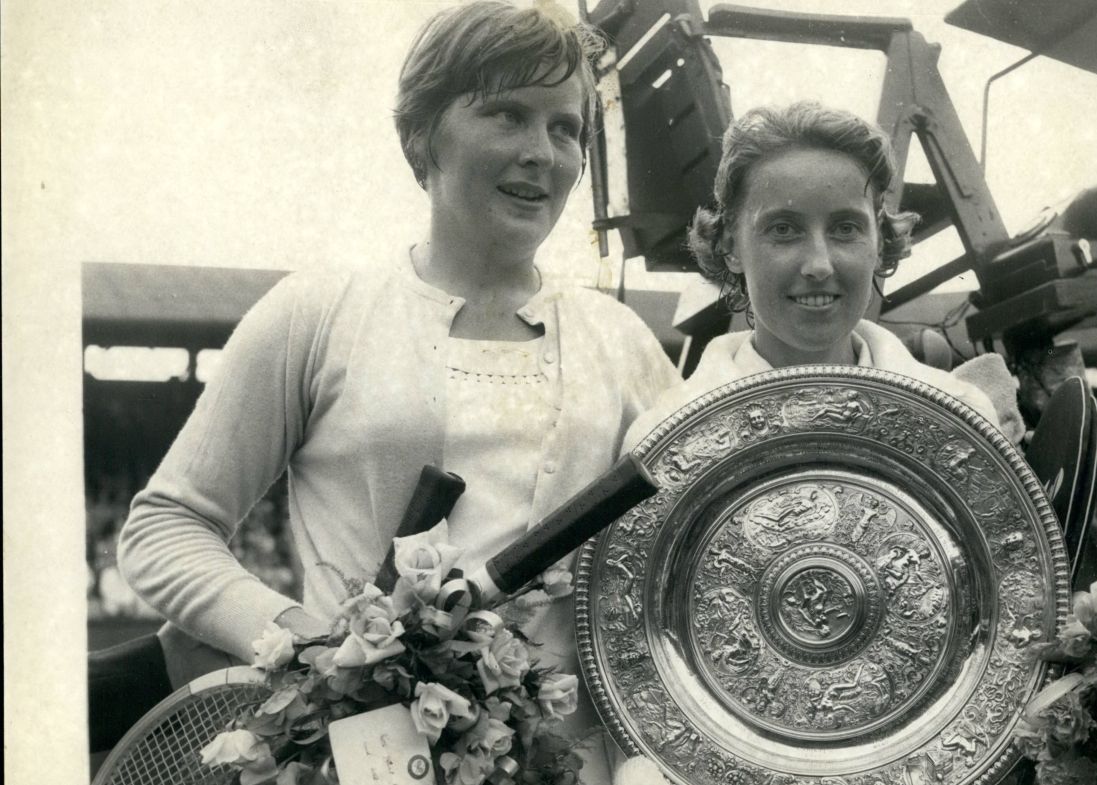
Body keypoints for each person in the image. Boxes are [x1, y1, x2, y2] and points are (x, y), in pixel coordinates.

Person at [114, 2, 679, 778]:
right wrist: (304, 643)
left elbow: (694, 556)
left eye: (565, 128)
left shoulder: (623, 341)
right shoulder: (317, 311)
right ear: (422, 134)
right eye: (508, 115)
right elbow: (166, 524)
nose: (541, 153)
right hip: (355, 765)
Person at [624, 101, 1022, 452]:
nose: (819, 265)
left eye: (845, 228)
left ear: (880, 241)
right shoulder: (663, 439)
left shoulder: (960, 418)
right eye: (783, 229)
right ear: (731, 246)